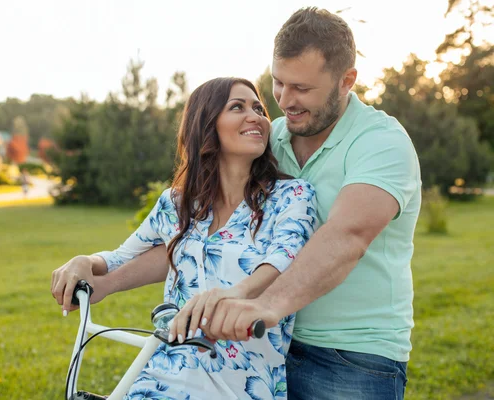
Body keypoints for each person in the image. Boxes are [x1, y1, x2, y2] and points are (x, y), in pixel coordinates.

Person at [73, 7, 422, 399]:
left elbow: (347, 237)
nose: (284, 102)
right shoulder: (270, 142)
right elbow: (189, 241)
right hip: (259, 344)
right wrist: (102, 279)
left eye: (302, 89)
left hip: (350, 355)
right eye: (278, 82)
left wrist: (264, 305)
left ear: (346, 81)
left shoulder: (380, 143)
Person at [51, 77, 318, 399]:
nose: (257, 116)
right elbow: (121, 256)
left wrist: (234, 294)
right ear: (206, 125)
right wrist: (84, 262)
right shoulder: (177, 204)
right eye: (238, 107)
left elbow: (286, 255)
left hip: (243, 384)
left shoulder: (292, 195)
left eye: (258, 108)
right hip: (163, 376)